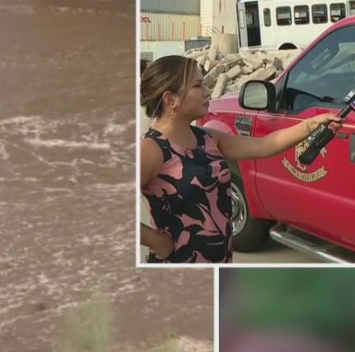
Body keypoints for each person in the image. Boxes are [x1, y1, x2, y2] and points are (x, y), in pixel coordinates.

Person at [139, 55, 343, 263]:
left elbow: (265, 146)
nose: (208, 92)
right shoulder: (151, 149)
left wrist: (312, 124)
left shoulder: (207, 138)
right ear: (170, 99)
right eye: (198, 85)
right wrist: (155, 241)